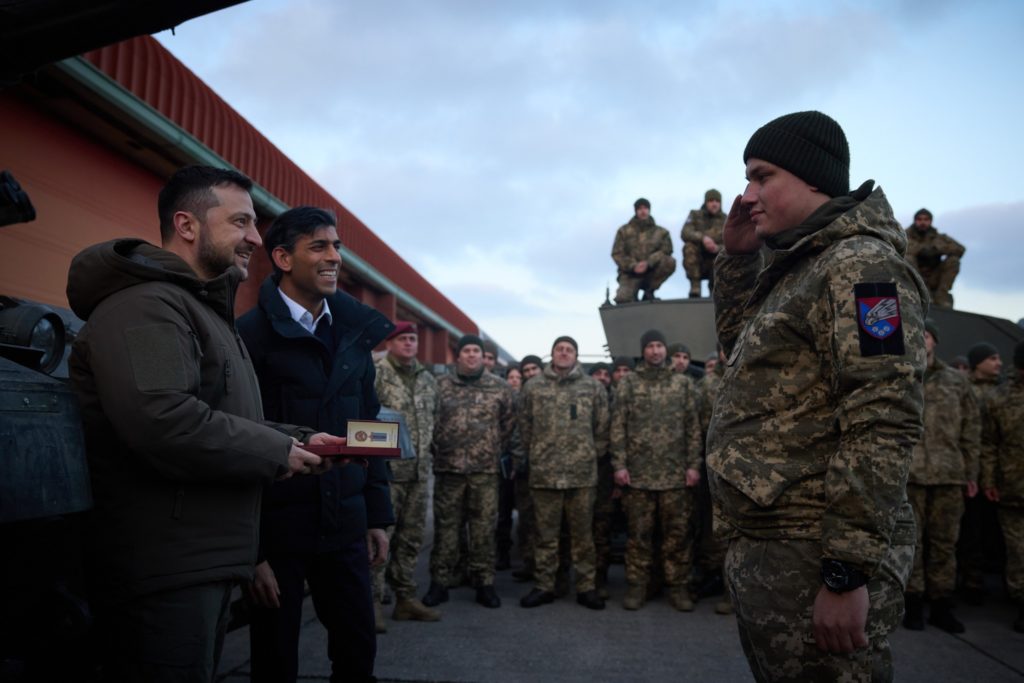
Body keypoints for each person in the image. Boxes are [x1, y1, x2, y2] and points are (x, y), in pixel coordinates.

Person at [67, 166, 329, 681]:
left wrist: (297, 440)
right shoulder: (145, 308)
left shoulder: (199, 309)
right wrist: (277, 452)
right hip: (165, 570)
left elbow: (222, 418)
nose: (256, 237)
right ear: (187, 225)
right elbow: (163, 418)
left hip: (199, 560)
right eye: (241, 222)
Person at [707, 110, 927, 682]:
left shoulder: (862, 268)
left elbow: (883, 420)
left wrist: (845, 571)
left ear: (812, 177)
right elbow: (743, 357)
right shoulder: (803, 266)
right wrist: (735, 262)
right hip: (778, 547)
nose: (747, 195)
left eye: (762, 176)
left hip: (813, 551)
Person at [237, 206, 395, 683]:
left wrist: (377, 515)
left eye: (337, 246)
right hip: (279, 528)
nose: (334, 258)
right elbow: (238, 439)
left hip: (345, 522)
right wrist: (253, 551)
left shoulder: (354, 335)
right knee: (274, 655)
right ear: (283, 258)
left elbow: (370, 425)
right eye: (319, 246)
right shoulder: (247, 336)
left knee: (356, 647)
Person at [611, 329, 703, 612]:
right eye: (650, 346)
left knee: (677, 537)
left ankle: (678, 587)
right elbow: (618, 427)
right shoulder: (628, 384)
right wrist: (620, 465)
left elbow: (693, 428)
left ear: (665, 350)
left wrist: (693, 465)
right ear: (644, 351)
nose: (655, 351)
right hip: (638, 477)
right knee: (639, 537)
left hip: (675, 476)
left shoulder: (683, 384)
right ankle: (638, 586)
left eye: (659, 345)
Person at [423, 335, 515, 608]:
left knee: (484, 529)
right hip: (448, 470)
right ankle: (440, 582)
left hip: (484, 473)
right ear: (459, 355)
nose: (473, 355)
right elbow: (430, 421)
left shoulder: (499, 388)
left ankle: (484, 583)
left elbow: (508, 425)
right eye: (467, 351)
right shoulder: (441, 386)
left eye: (477, 350)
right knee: (446, 529)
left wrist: (489, 449)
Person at [518, 336, 610, 610]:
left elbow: (603, 428)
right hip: (545, 475)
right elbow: (525, 426)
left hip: (581, 475)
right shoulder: (533, 387)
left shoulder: (592, 387)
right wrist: (537, 454)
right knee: (546, 535)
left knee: (583, 536)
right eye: (560, 349)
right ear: (552, 354)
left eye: (569, 350)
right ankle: (544, 585)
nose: (564, 353)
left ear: (576, 356)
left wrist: (588, 455)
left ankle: (586, 587)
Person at [903, 320, 980, 634]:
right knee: (913, 543)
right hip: (911, 473)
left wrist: (971, 473)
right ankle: (913, 603)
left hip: (949, 474)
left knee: (945, 543)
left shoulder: (956, 382)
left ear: (935, 341)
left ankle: (941, 604)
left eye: (928, 335)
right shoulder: (903, 376)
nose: (922, 339)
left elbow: (971, 430)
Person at [372, 321, 442, 626]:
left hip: (418, 472)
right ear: (391, 343)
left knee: (411, 538)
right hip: (387, 472)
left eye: (413, 339)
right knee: (380, 539)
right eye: (403, 339)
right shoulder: (377, 373)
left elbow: (434, 417)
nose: (409, 344)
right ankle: (373, 601)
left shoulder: (428, 379)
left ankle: (405, 598)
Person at [980, 340, 1024, 632]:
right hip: (1013, 487)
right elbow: (989, 444)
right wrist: (989, 480)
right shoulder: (1000, 397)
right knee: (1018, 552)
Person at [959, 341, 1004, 603]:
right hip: (971, 472)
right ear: (978, 363)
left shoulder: (1002, 392)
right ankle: (971, 580)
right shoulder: (966, 391)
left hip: (999, 474)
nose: (998, 363)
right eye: (992, 358)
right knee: (970, 530)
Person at [611, 198, 676, 303]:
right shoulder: (624, 231)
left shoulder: (661, 232)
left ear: (649, 210)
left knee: (669, 261)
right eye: (640, 208)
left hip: (651, 272)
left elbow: (667, 250)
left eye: (645, 208)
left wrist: (649, 262)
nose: (643, 211)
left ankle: (649, 292)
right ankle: (632, 296)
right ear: (636, 210)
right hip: (630, 274)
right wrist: (633, 266)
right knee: (623, 299)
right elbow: (617, 253)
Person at [905, 208, 964, 308]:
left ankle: (941, 296)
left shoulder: (938, 237)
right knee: (908, 259)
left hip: (934, 277)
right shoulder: (904, 236)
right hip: (914, 279)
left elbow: (960, 249)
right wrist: (920, 250)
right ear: (915, 221)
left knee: (953, 261)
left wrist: (937, 249)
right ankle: (923, 293)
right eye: (919, 219)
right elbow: (896, 248)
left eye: (926, 219)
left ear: (930, 221)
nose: (922, 222)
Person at [681, 189, 726, 297]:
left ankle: (715, 289)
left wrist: (717, 248)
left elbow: (733, 242)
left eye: (717, 201)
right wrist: (703, 238)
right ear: (706, 202)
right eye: (711, 201)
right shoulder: (695, 215)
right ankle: (695, 286)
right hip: (699, 259)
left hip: (716, 261)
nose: (714, 204)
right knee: (689, 247)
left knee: (728, 254)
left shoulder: (726, 219)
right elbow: (685, 232)